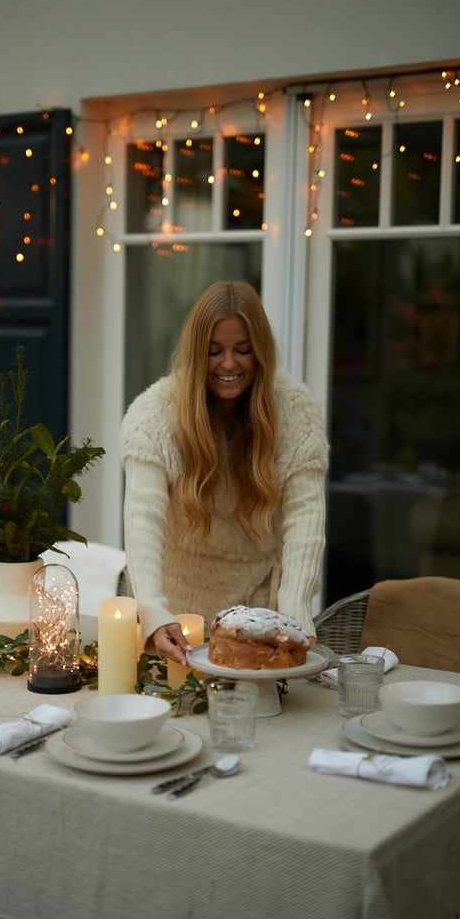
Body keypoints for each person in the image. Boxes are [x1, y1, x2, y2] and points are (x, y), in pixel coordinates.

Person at [119, 280, 329, 667]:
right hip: (181, 621)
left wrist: (295, 607)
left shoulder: (296, 410)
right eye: (215, 352)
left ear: (261, 352)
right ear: (197, 353)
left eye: (243, 350)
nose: (229, 364)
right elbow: (142, 519)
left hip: (263, 616)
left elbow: (305, 516)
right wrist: (151, 610)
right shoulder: (153, 416)